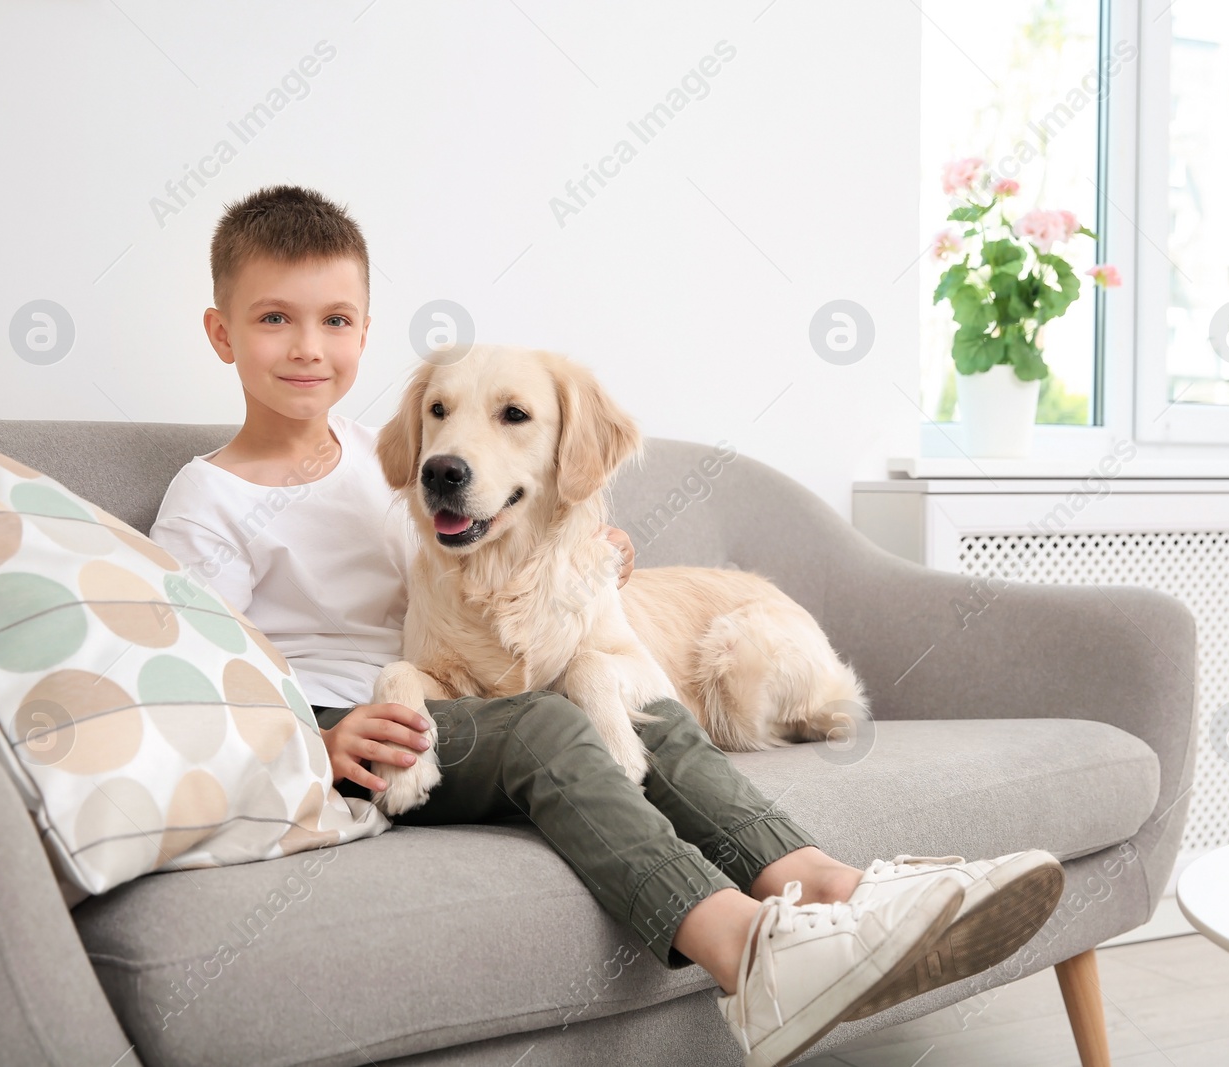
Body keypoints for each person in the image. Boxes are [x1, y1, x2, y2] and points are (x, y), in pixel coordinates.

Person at [150, 185, 1063, 1067]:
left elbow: (480, 556)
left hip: (433, 695)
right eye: (275, 319)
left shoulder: (380, 454)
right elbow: (198, 679)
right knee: (551, 723)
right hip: (354, 743)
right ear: (221, 332)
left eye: (336, 320)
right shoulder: (208, 499)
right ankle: (750, 955)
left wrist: (582, 556)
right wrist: (321, 735)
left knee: (643, 703)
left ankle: (835, 887)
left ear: (363, 332)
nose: (309, 346)